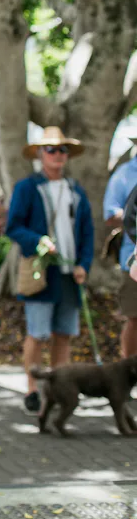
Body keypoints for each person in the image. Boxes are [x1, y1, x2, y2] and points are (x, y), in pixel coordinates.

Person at [6, 128, 93, 415]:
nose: (57, 155)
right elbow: (14, 227)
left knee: (64, 333)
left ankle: (60, 388)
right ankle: (32, 388)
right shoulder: (27, 187)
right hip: (41, 272)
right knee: (38, 332)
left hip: (69, 273)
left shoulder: (75, 189)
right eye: (51, 150)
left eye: (62, 150)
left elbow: (87, 232)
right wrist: (38, 241)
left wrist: (84, 264)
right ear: (41, 154)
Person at [104, 141, 137, 357]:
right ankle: (129, 373)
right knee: (135, 317)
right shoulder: (125, 174)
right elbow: (110, 214)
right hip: (132, 258)